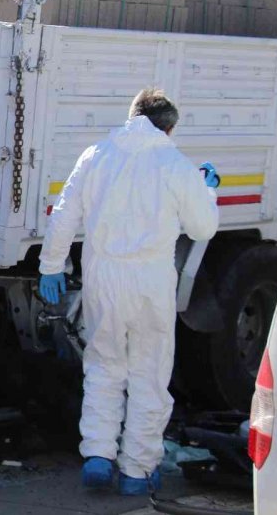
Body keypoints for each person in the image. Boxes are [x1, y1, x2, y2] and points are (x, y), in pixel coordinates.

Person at [38, 88, 220, 495]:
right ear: (169, 127)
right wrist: (206, 189)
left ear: (131, 115)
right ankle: (137, 470)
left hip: (103, 276)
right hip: (151, 280)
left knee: (103, 365)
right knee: (149, 374)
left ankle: (99, 456)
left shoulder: (96, 155)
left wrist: (51, 267)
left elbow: (64, 213)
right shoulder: (175, 164)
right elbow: (203, 229)